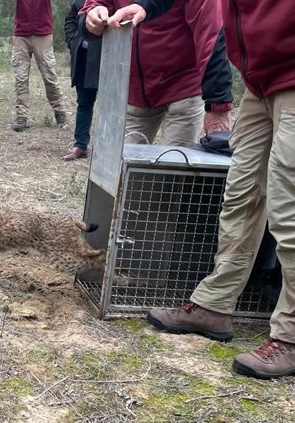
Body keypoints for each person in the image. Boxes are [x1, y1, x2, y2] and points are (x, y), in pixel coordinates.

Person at [118, 0, 295, 380]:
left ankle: (291, 336)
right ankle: (215, 304)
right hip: (259, 82)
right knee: (240, 197)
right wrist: (147, 5)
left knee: (288, 209)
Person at [81, 0, 233, 147]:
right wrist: (92, 16)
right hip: (131, 91)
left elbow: (211, 35)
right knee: (122, 167)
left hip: (183, 90)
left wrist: (218, 104)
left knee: (174, 166)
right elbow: (93, 7)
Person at [10, 0, 68, 132]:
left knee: (49, 77)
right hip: (21, 34)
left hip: (43, 32)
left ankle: (60, 114)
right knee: (21, 78)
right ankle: (21, 117)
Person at [63, 0, 101, 160]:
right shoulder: (80, 2)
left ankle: (110, 149)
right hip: (84, 58)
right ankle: (80, 145)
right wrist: (73, 40)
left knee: (112, 106)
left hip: (110, 57)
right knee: (84, 103)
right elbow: (70, 20)